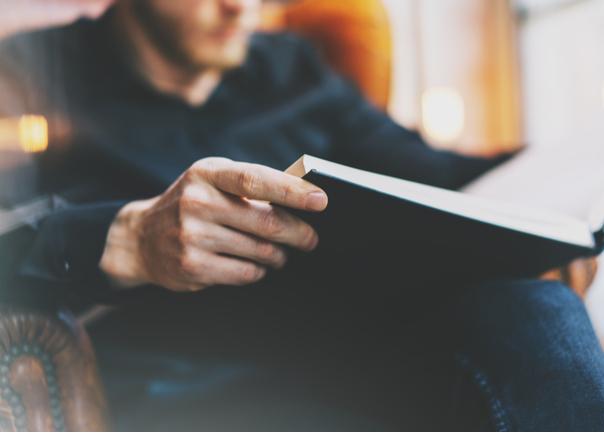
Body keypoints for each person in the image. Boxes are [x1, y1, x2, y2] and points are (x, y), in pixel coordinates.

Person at [0, 0, 603, 430]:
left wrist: (568, 178)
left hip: (353, 354)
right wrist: (125, 237)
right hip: (184, 387)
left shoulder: (291, 68)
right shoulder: (28, 73)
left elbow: (437, 174)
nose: (242, 8)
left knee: (533, 304)